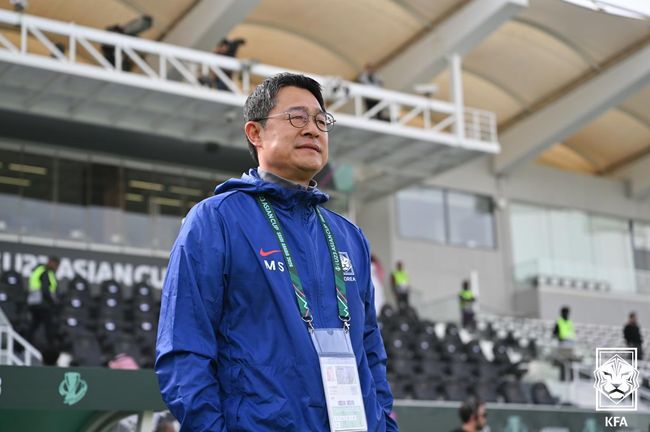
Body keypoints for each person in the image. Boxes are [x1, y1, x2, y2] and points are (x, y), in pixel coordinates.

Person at [156, 73, 398, 431]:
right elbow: (183, 351)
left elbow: (371, 352)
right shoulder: (216, 220)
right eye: (297, 118)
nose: (313, 130)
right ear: (255, 133)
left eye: (321, 121)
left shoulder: (349, 238)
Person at [26, 256, 60, 362]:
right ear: (51, 262)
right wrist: (54, 302)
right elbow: (45, 290)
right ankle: (51, 353)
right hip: (43, 304)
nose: (56, 267)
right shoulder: (45, 272)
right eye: (55, 264)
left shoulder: (39, 270)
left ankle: (24, 346)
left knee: (33, 326)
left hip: (34, 303)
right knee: (49, 328)